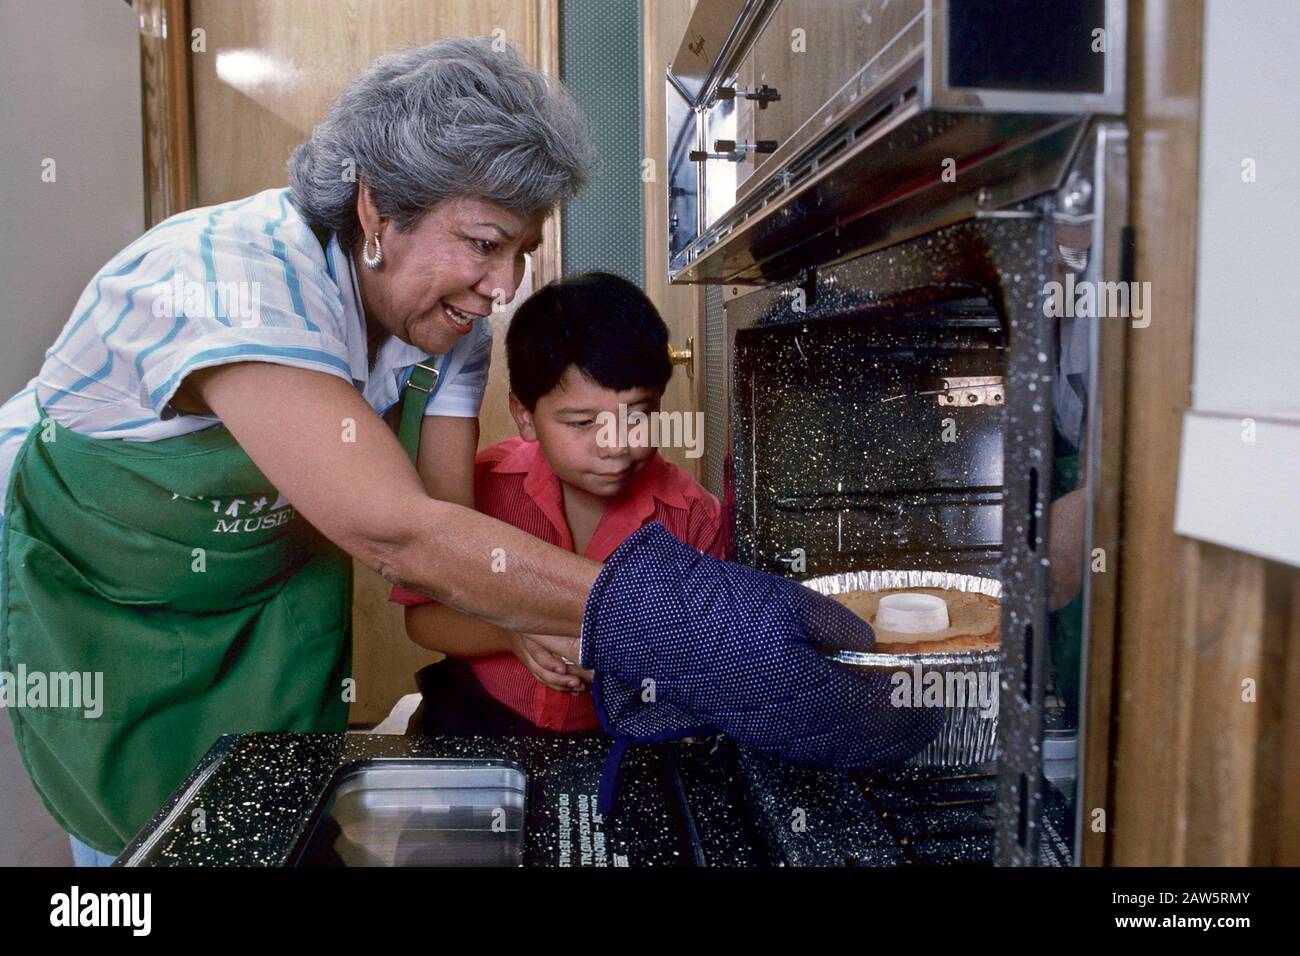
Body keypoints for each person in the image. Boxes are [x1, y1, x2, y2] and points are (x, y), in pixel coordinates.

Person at [391, 273, 726, 736]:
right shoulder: (476, 491)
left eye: (638, 416)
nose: (614, 445)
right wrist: (511, 632)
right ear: (525, 416)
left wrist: (624, 665)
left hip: (621, 733)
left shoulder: (693, 518)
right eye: (582, 422)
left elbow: (712, 658)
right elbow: (422, 618)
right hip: (481, 713)